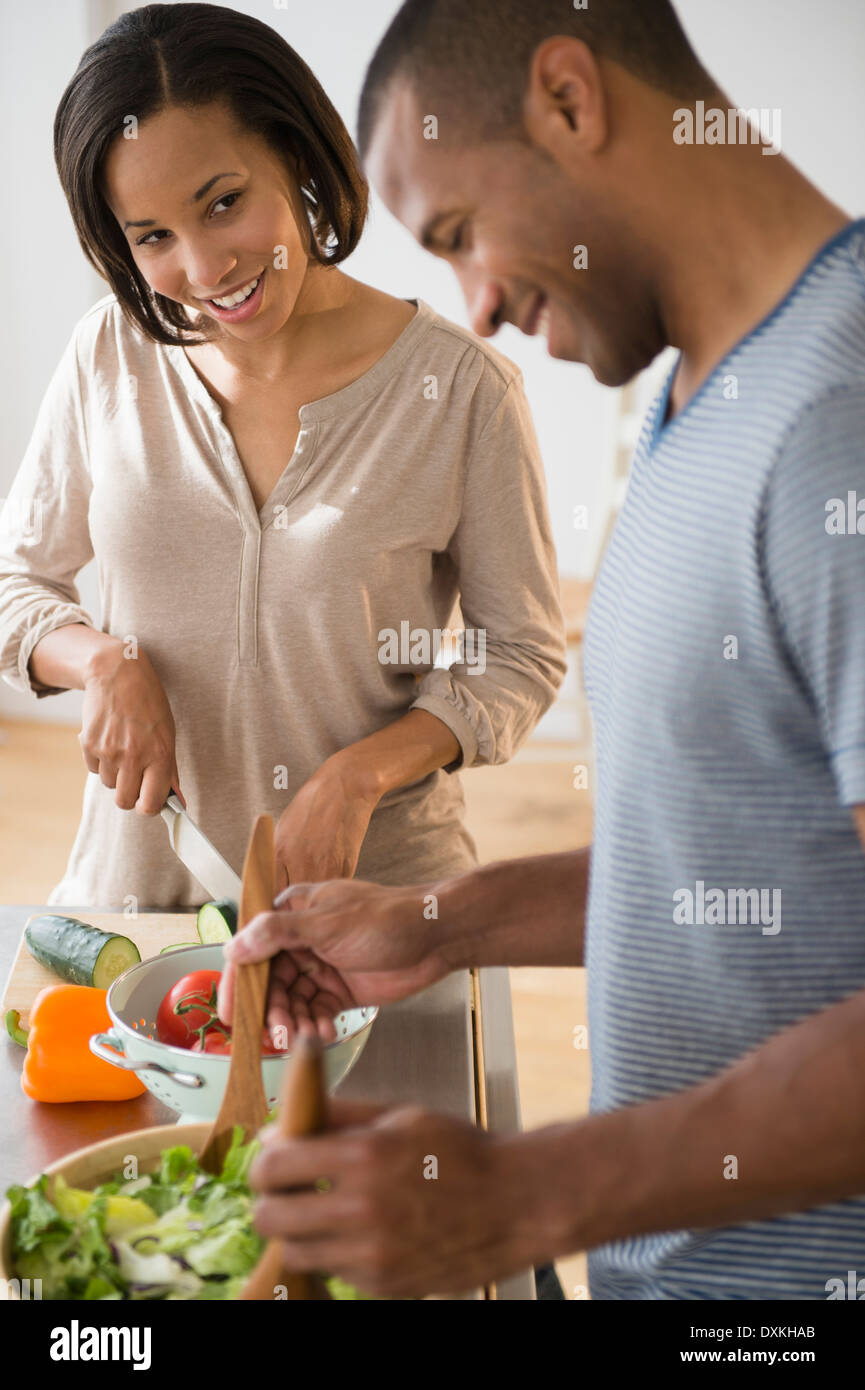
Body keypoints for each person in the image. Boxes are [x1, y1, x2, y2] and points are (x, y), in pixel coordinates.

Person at [219, 0, 865, 1301]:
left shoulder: (838, 423)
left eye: (459, 234)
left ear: (569, 98)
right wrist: (440, 922)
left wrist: (526, 1191)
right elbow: (734, 859)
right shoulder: (706, 395)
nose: (482, 306)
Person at [0, 3, 565, 909]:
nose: (204, 267)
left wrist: (361, 774)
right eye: (153, 238)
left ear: (297, 156)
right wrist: (101, 661)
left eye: (224, 203)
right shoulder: (108, 354)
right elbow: (14, 581)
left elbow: (519, 655)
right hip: (142, 899)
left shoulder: (461, 391)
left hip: (376, 906)